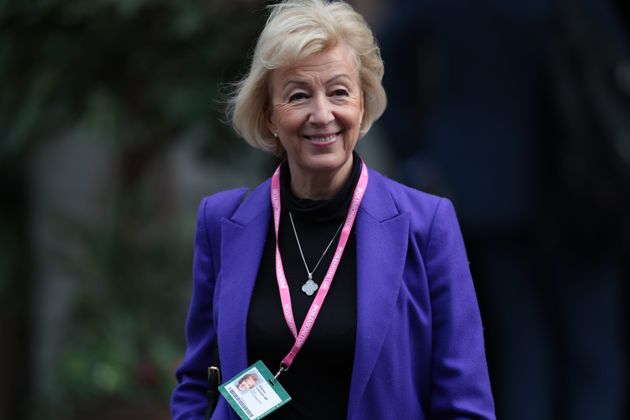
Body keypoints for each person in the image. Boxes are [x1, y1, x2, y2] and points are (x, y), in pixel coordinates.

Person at [171, 1, 495, 419]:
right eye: (298, 95)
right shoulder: (222, 222)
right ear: (270, 114)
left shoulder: (427, 224)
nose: (322, 115)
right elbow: (198, 381)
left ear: (363, 104)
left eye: (339, 92)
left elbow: (464, 401)